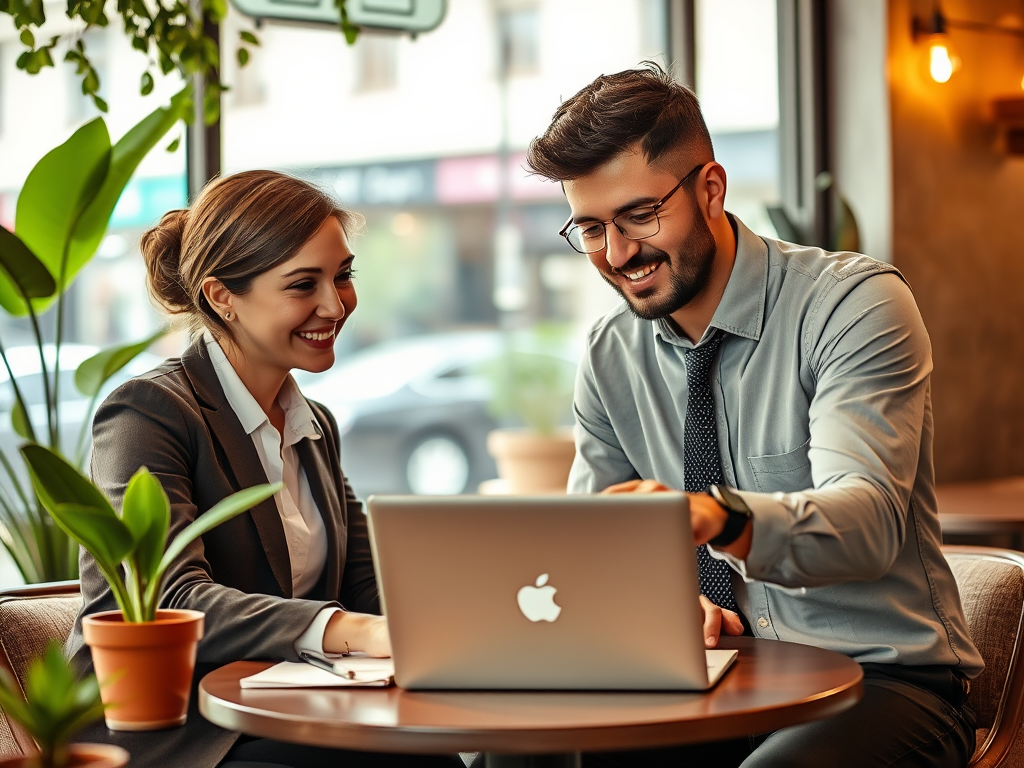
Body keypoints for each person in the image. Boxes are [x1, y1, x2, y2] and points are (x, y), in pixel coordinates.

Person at [526, 63, 983, 768]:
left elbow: (865, 524)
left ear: (711, 188)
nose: (617, 255)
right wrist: (655, 608)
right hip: (704, 685)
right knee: (530, 752)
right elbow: (598, 550)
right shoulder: (610, 353)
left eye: (639, 216)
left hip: (881, 685)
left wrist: (721, 517)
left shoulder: (851, 307)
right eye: (590, 228)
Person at [66, 170, 461, 768]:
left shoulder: (314, 425)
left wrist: (465, 628)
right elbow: (171, 598)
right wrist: (353, 632)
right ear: (222, 296)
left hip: (291, 711)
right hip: (183, 734)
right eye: (304, 284)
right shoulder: (149, 414)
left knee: (436, 749)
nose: (336, 304)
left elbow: (365, 587)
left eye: (343, 275)